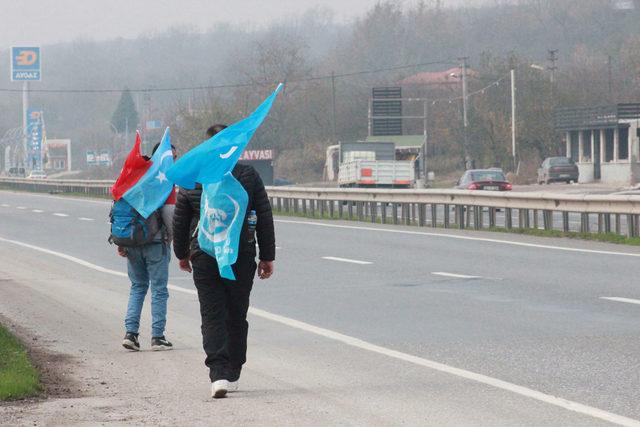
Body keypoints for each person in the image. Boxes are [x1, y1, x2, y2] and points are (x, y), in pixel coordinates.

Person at [172, 124, 275, 398]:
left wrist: (181, 253)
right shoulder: (248, 174)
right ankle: (233, 370)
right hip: (240, 255)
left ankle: (217, 374)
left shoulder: (194, 178)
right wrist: (267, 256)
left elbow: (181, 220)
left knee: (212, 314)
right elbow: (263, 215)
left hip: (205, 255)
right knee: (236, 314)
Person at [118, 144, 178, 352]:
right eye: (173, 157)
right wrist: (174, 241)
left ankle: (131, 334)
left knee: (137, 287)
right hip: (155, 243)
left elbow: (120, 209)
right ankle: (157, 337)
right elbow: (170, 215)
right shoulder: (164, 181)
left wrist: (121, 241)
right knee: (159, 290)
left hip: (132, 241)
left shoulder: (134, 176)